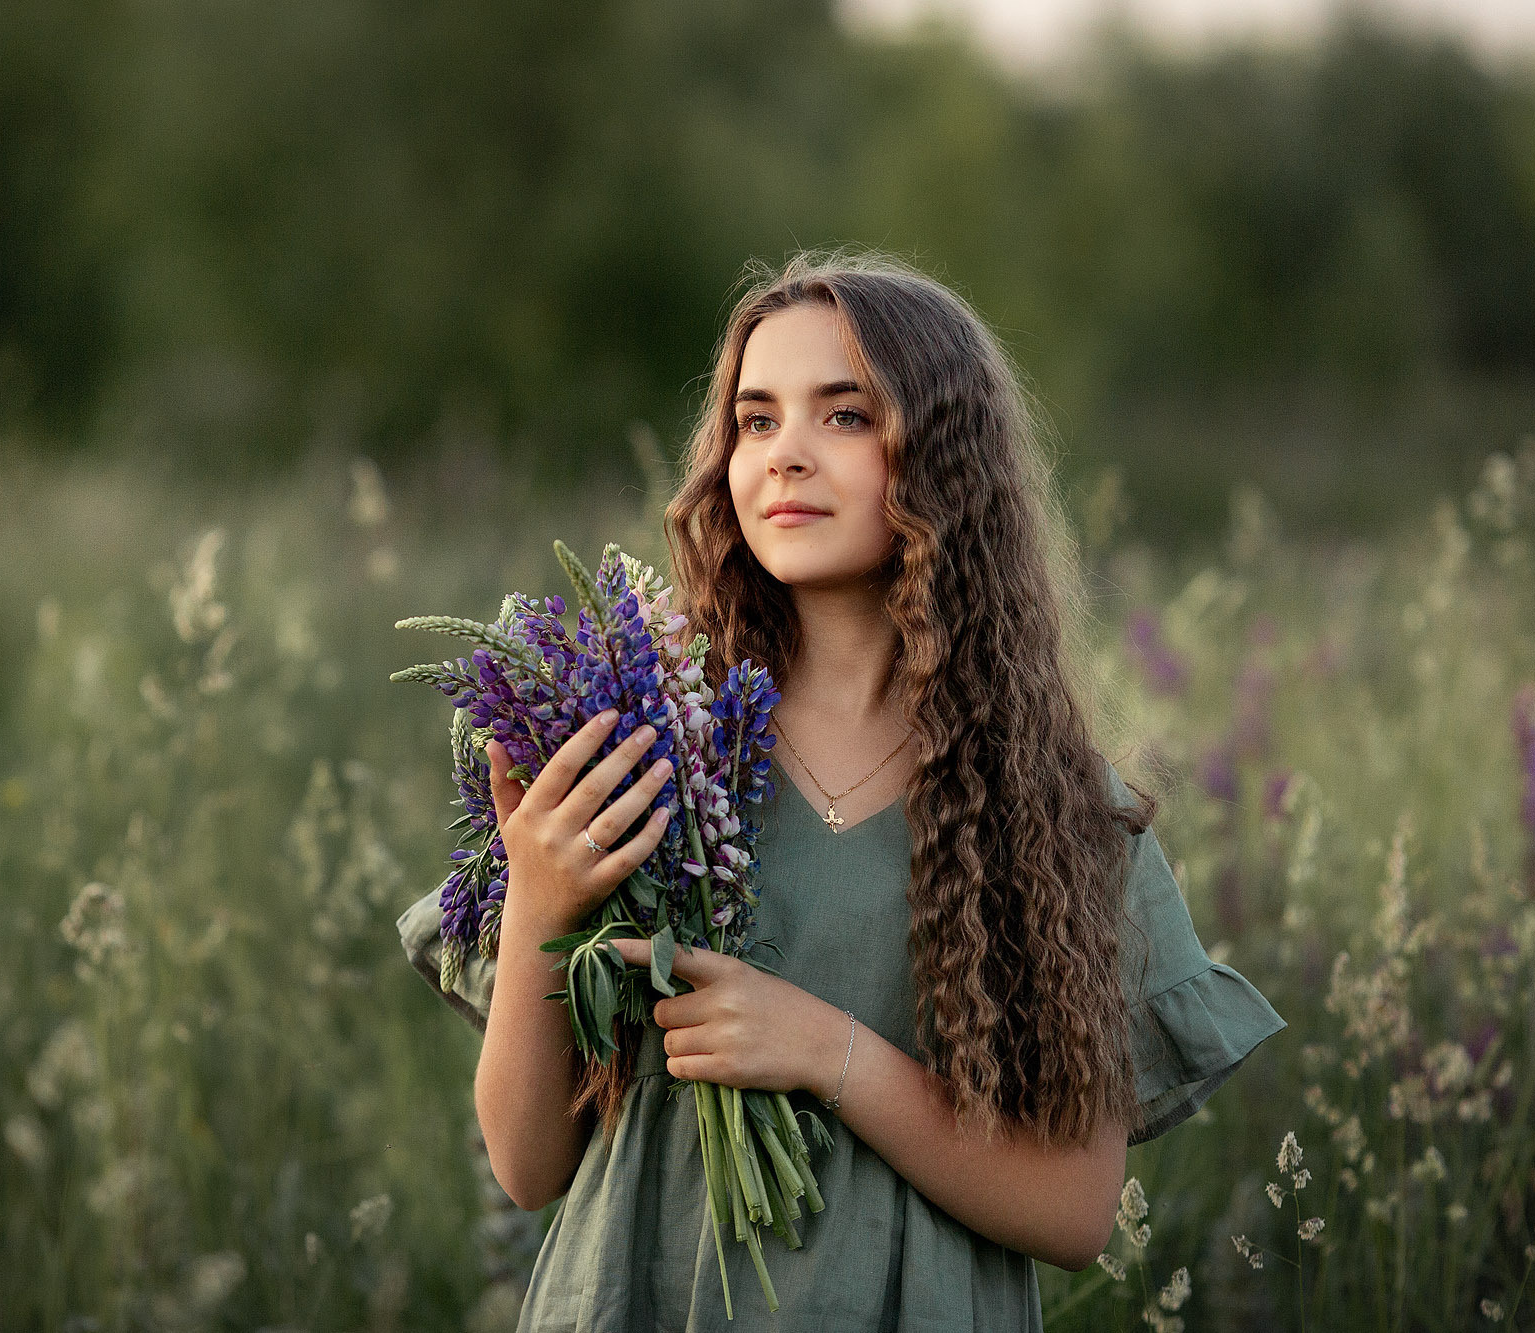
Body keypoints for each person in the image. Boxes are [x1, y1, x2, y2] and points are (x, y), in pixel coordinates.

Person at [437, 249, 1286, 1331]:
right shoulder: (638, 741)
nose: (784, 454)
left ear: (943, 462)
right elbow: (525, 1162)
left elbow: (1074, 1210)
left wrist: (825, 1052)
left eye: (842, 417)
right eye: (754, 421)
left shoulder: (1048, 810)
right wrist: (540, 904)